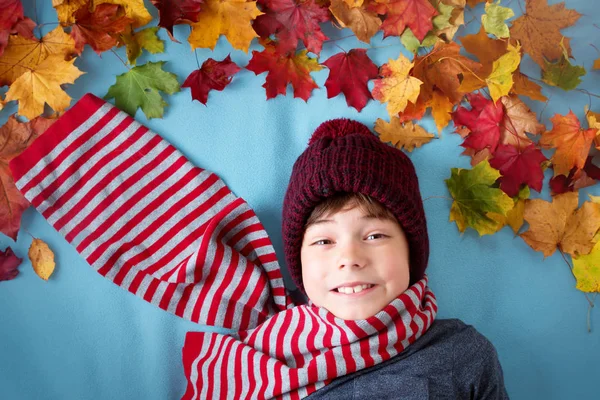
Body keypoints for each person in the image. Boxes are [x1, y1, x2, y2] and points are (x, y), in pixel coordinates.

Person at [9, 94, 508, 399]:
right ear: (298, 263)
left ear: (413, 253)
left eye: (376, 234)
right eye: (324, 240)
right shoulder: (259, 363)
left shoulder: (462, 353)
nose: (350, 257)